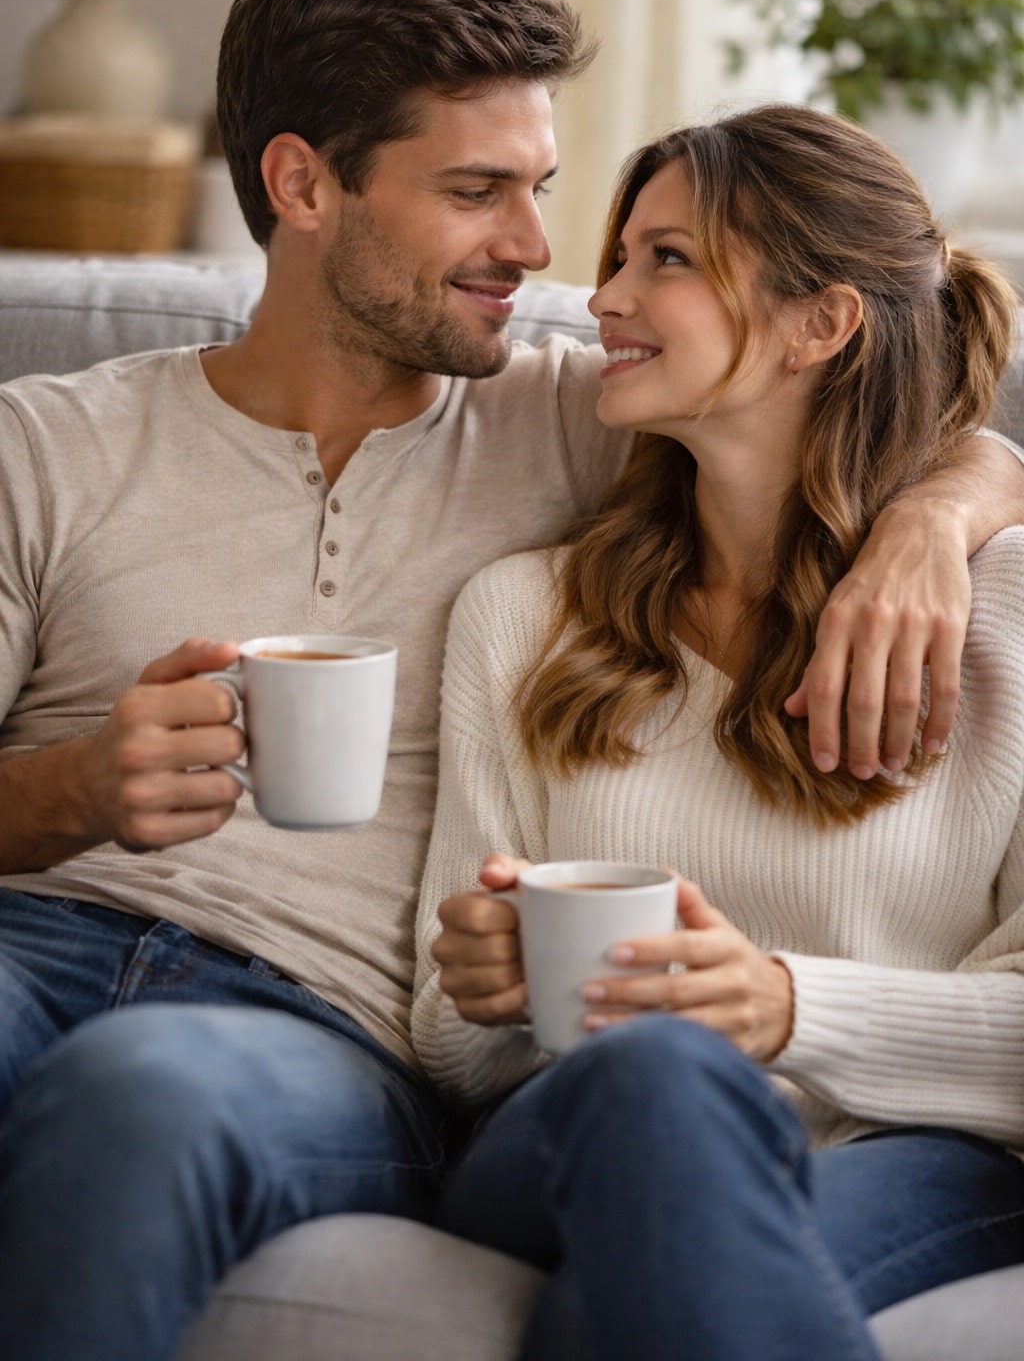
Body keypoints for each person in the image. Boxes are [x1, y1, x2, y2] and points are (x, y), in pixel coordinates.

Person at [0, 0, 1018, 1361]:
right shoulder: (46, 441)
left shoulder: (575, 417)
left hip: (299, 1021)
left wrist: (932, 522)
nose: (546, 258)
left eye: (541, 191)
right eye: (478, 192)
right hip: (30, 935)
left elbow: (866, 400)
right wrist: (69, 792)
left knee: (149, 1093)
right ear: (302, 184)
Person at [415, 104, 1024, 1361]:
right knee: (655, 1077)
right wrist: (482, 986)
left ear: (821, 323)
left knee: (627, 1299)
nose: (601, 299)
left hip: (910, 1154)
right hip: (572, 1125)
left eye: (667, 259)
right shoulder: (522, 616)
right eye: (619, 256)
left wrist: (787, 1008)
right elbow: (447, 1043)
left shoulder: (1003, 615)